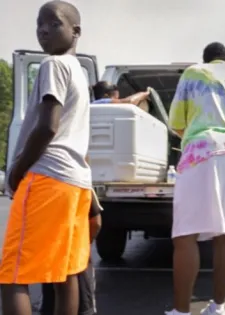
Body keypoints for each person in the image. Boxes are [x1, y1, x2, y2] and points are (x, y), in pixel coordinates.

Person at [0, 1, 93, 315]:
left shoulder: (53, 66)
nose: (43, 30)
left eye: (54, 23)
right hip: (74, 183)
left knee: (13, 275)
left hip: (47, 177)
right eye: (39, 24)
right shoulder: (80, 73)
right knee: (65, 273)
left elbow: (48, 127)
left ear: (75, 31)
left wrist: (17, 168)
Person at [166, 42, 225, 315]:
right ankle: (218, 307)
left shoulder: (195, 73)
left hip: (204, 150)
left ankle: (181, 311)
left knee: (185, 235)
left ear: (206, 59)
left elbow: (177, 123)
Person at [40, 190, 102, 315]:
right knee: (81, 303)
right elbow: (96, 222)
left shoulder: (38, 182)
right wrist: (84, 243)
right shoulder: (78, 179)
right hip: (77, 259)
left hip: (50, 258)